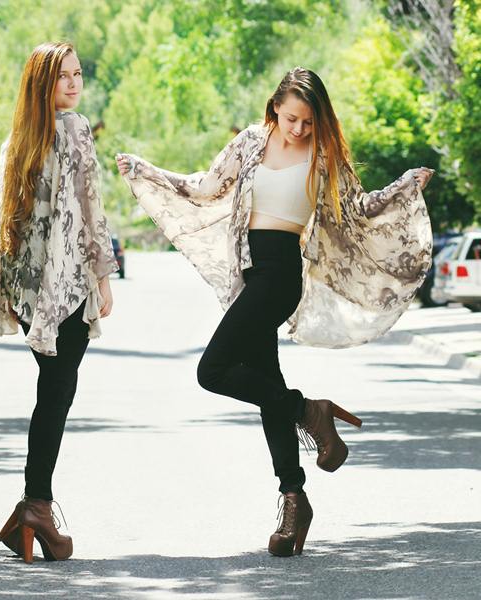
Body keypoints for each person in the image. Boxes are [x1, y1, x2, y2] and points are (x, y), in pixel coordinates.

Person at [116, 67, 433, 557]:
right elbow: (205, 186)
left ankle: (309, 411)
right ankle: (294, 499)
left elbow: (359, 209)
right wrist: (148, 172)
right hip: (249, 273)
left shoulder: (324, 157)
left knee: (212, 371)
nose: (299, 129)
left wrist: (404, 187)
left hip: (281, 275)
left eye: (308, 121)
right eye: (291, 119)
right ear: (275, 110)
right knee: (268, 388)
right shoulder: (249, 143)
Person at [0, 41, 119, 563]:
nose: (74, 84)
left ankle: (32, 509)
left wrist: (6, 291)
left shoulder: (16, 140)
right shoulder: (75, 128)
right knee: (57, 394)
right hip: (66, 284)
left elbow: (7, 223)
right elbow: (90, 208)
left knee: (53, 391)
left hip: (29, 287)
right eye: (64, 76)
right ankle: (35, 506)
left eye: (78, 74)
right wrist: (103, 277)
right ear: (43, 83)